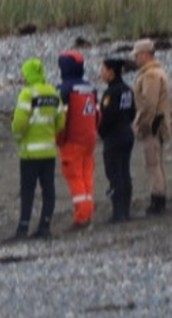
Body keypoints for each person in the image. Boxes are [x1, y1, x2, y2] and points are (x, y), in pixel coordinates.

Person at [9, 57, 66, 240]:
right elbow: (61, 122)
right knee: (48, 189)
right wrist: (49, 132)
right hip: (48, 151)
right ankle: (45, 225)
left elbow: (19, 123)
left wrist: (19, 137)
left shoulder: (27, 94)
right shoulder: (54, 93)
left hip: (30, 152)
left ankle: (23, 227)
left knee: (28, 190)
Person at [57, 51, 99, 230]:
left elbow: (61, 119)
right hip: (89, 139)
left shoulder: (64, 90)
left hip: (72, 140)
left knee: (75, 177)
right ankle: (87, 213)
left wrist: (59, 139)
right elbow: (97, 115)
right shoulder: (90, 89)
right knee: (86, 175)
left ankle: (82, 217)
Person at [131, 39, 172, 216]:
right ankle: (159, 198)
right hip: (158, 123)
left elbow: (149, 105)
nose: (135, 59)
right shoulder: (157, 72)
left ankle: (157, 201)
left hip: (153, 125)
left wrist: (142, 125)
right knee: (156, 163)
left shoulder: (151, 75)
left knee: (153, 163)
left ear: (144, 55)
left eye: (137, 55)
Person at [99, 57, 137, 223]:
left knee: (114, 174)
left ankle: (118, 212)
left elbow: (107, 117)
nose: (101, 73)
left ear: (111, 72)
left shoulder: (111, 93)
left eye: (103, 70)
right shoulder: (127, 90)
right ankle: (125, 210)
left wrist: (101, 131)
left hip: (114, 136)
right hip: (127, 133)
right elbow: (133, 112)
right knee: (124, 172)